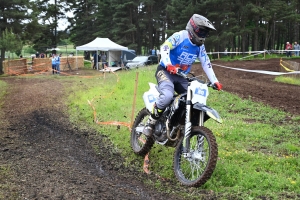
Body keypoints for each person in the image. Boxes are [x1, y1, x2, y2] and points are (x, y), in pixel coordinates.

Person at [143, 14, 223, 137]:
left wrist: (215, 81)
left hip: (181, 76)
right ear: (193, 28)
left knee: (192, 99)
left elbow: (206, 63)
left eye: (205, 33)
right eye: (201, 32)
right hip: (165, 71)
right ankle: (151, 122)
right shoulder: (180, 36)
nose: (202, 36)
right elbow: (164, 47)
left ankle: (177, 125)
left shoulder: (200, 47)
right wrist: (168, 64)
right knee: (168, 95)